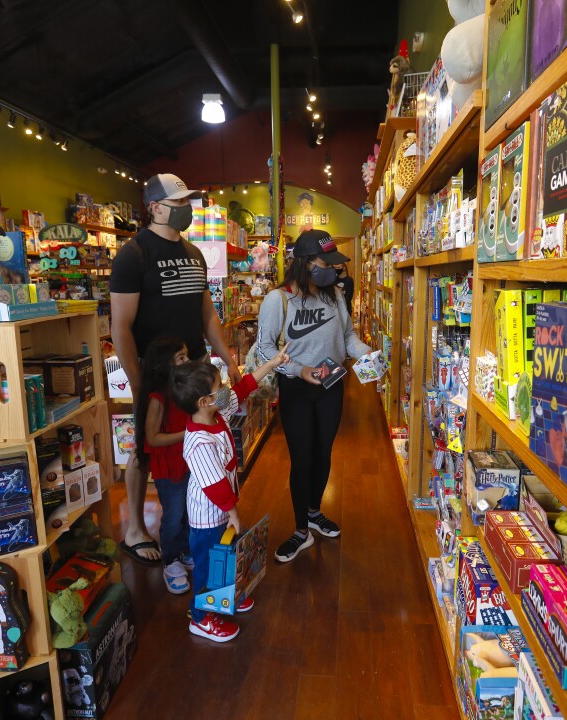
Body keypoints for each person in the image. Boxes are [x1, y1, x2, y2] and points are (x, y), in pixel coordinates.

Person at [110, 173, 241, 564]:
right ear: (154, 207)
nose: (186, 209)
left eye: (187, 202)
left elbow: (208, 315)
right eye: (178, 203)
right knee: (145, 448)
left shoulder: (194, 253)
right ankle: (136, 527)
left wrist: (228, 359)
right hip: (155, 370)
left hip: (194, 365)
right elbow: (121, 326)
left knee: (194, 443)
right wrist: (139, 382)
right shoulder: (133, 255)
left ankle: (186, 529)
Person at [256, 230, 373, 563]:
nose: (333, 271)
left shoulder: (334, 294)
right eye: (326, 264)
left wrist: (367, 355)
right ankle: (299, 530)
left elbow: (348, 337)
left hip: (331, 383)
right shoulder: (278, 299)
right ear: (306, 264)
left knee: (324, 454)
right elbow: (265, 348)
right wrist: (298, 370)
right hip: (296, 388)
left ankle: (313, 512)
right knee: (303, 458)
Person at [168, 349, 289, 642]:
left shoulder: (216, 412)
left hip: (222, 509)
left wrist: (272, 364)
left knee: (226, 554)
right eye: (218, 387)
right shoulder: (198, 441)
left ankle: (223, 597)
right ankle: (201, 618)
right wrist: (234, 514)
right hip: (209, 516)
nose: (224, 389)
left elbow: (244, 387)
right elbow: (215, 486)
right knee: (209, 563)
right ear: (203, 402)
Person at [140, 335, 192, 594]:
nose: (187, 361)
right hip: (169, 469)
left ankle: (183, 550)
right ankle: (170, 560)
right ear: (164, 365)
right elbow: (152, 437)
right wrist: (188, 433)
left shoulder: (182, 389)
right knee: (173, 516)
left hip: (187, 462)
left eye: (186, 355)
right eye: (181, 358)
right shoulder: (158, 398)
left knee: (188, 511)